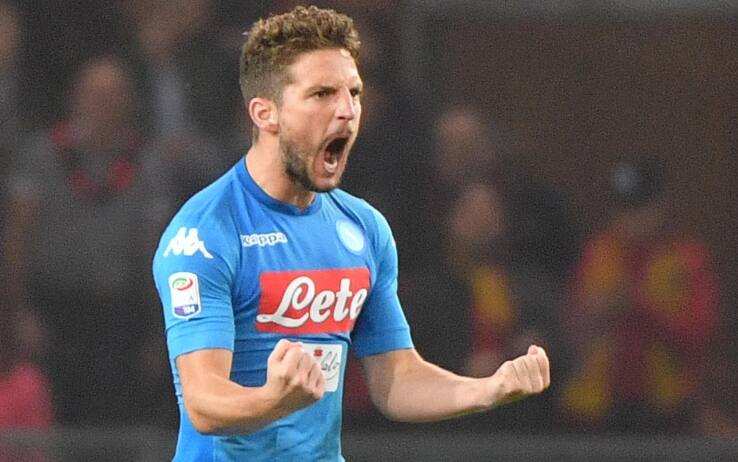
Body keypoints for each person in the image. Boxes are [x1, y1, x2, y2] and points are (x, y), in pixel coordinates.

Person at [152, 6, 550, 461]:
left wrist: (487, 389)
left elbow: (396, 377)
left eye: (354, 93)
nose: (346, 111)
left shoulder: (363, 228)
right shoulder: (205, 234)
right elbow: (204, 403)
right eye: (322, 94)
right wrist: (274, 400)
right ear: (265, 113)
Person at [559, 159, 719, 434]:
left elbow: (698, 332)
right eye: (623, 208)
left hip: (666, 406)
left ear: (660, 206)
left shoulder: (686, 259)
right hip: (596, 408)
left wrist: (640, 307)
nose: (630, 219)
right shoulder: (597, 254)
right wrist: (596, 312)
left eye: (639, 207)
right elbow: (569, 329)